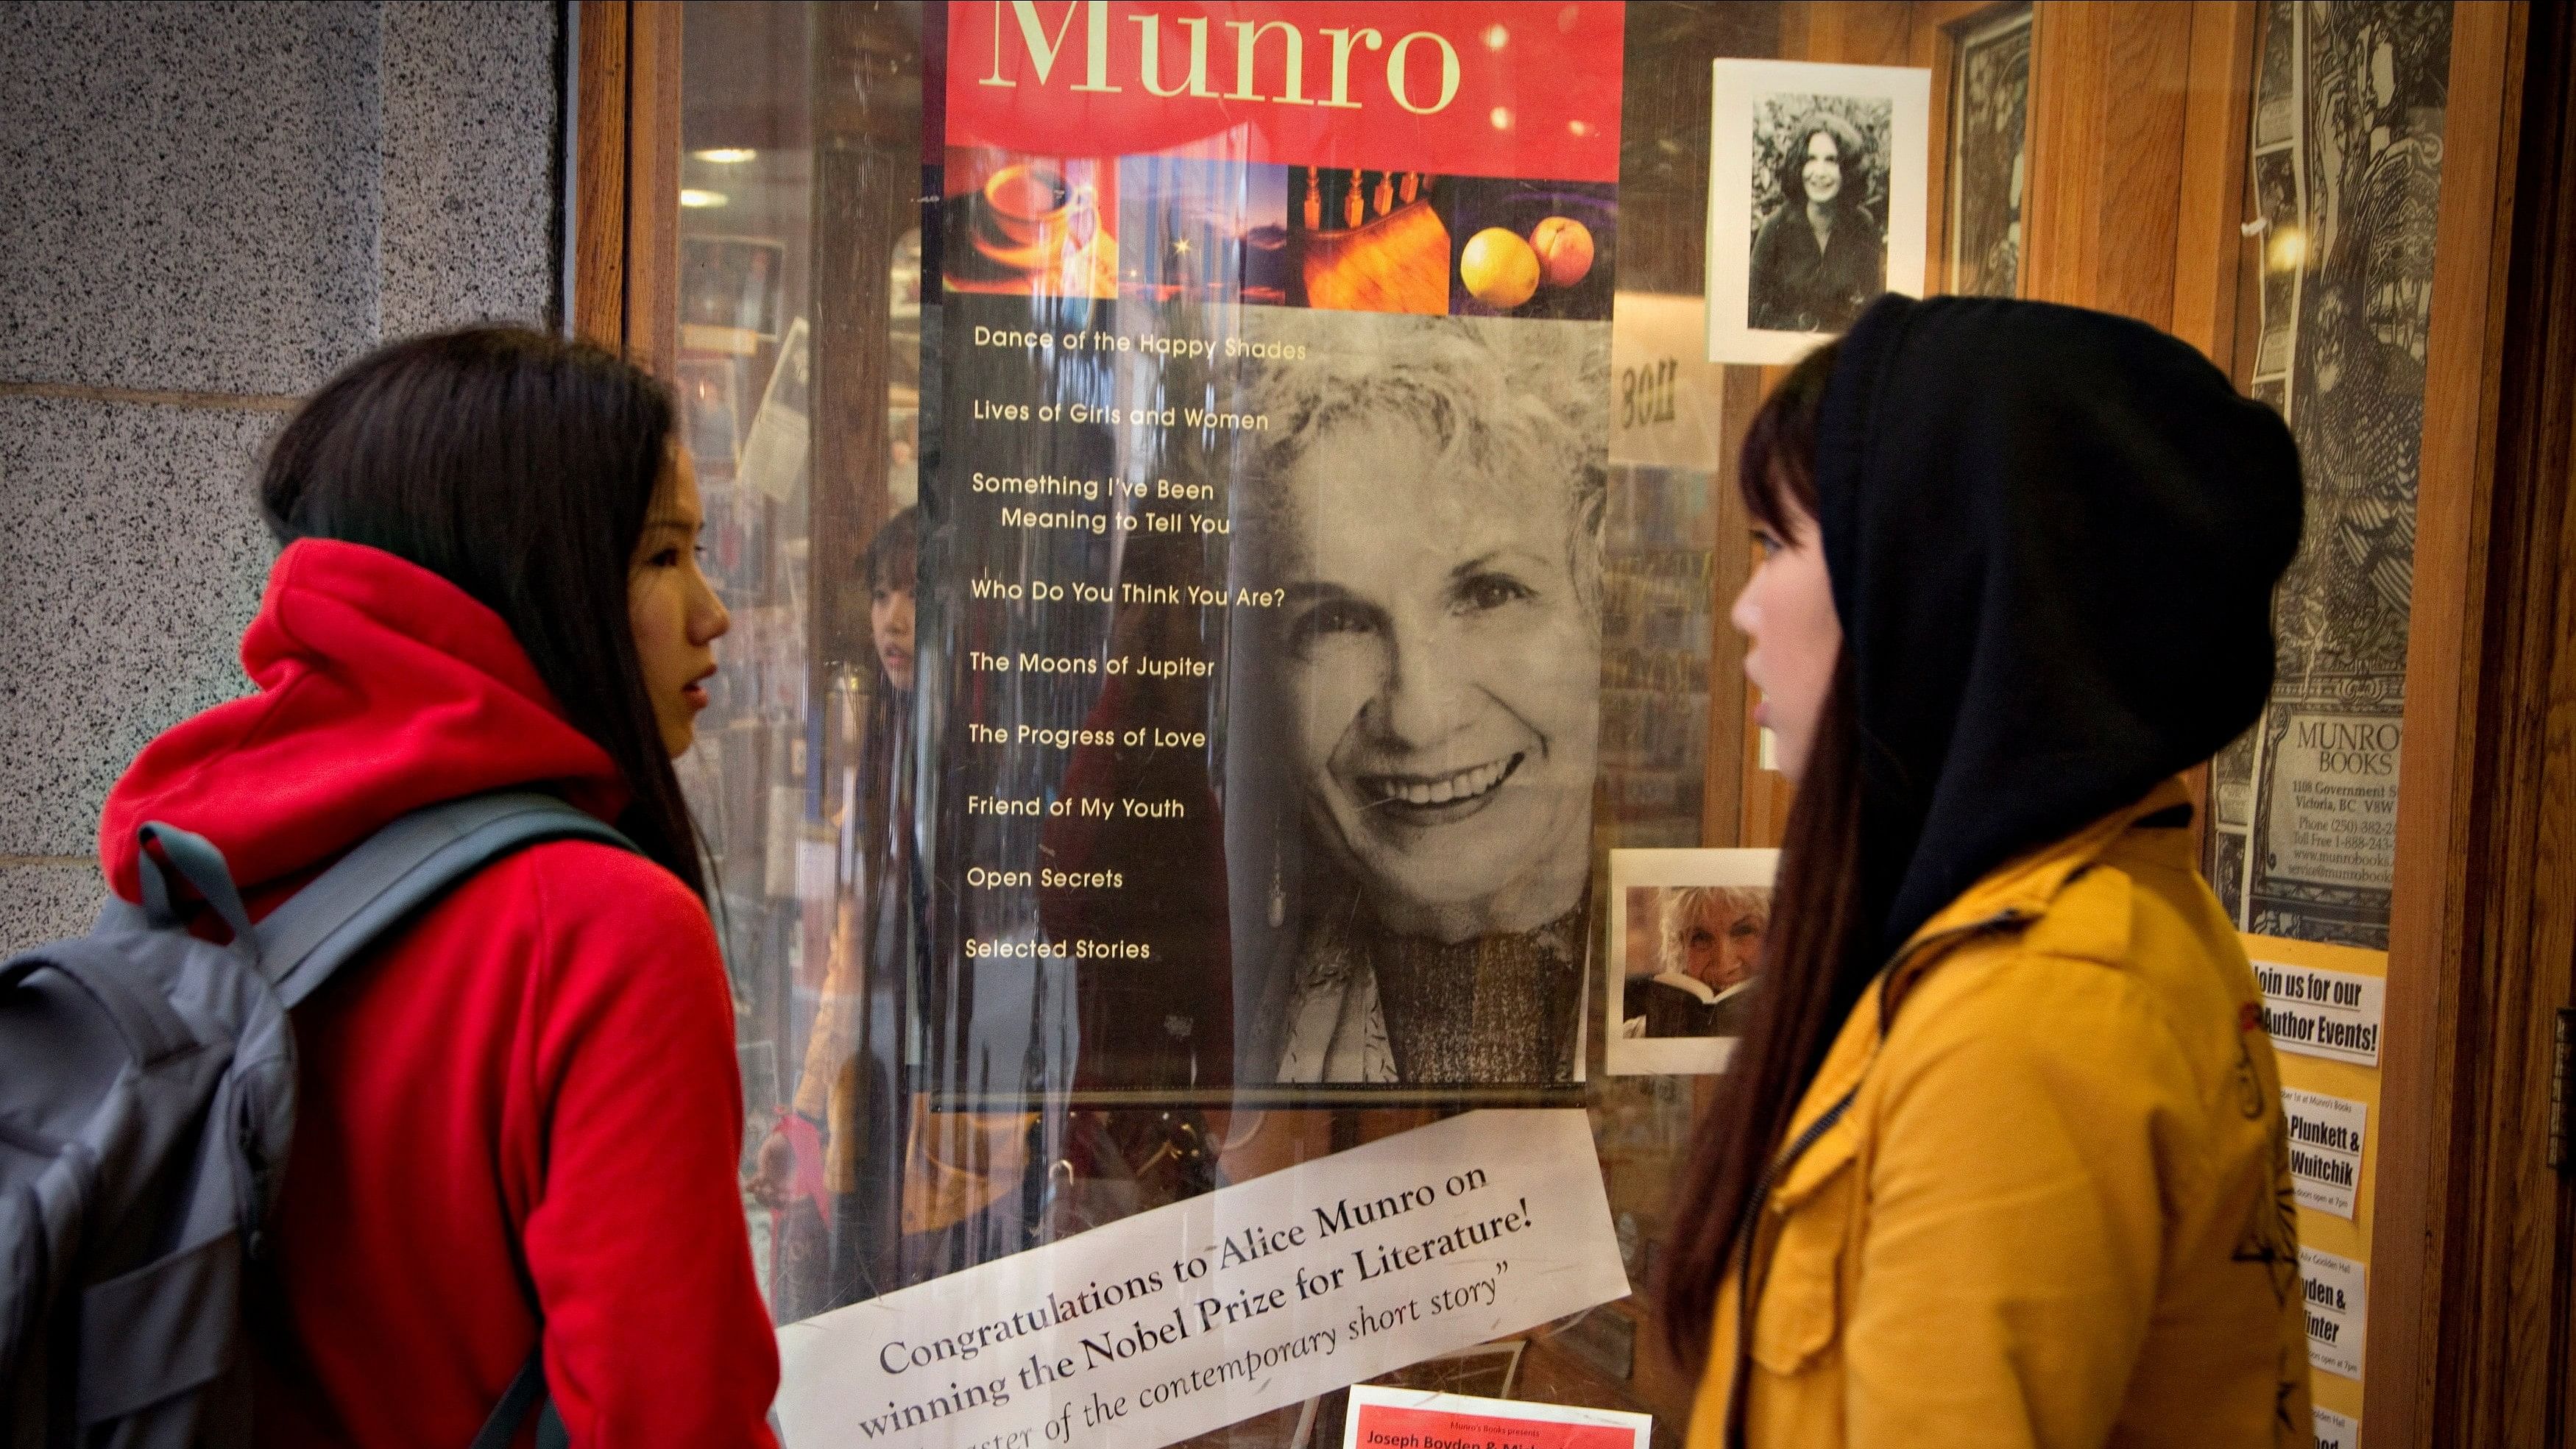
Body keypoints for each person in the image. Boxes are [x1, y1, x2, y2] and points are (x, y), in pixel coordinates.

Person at [97, 327, 778, 1445]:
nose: (712, 613)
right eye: (664, 556)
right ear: (528, 571)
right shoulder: (601, 928)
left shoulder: (194, 871)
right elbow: (672, 1415)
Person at [1666, 294, 2310, 1447]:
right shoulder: (2084, 923)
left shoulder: (2033, 1013)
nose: (1744, 607)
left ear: (1941, 571)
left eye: (1776, 545)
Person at [1248, 322, 1607, 1085]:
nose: (1419, 716)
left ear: (1602, 612)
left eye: (1488, 594)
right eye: (1333, 621)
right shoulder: (1223, 1021)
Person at [1746, 111, 1886, 334]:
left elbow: (1876, 307)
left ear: (1848, 170)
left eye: (1831, 161)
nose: (1819, 173)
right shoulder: (1775, 228)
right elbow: (1750, 306)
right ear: (1799, 166)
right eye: (1811, 159)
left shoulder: (1862, 226)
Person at [1625, 886, 1766, 1038]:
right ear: (1680, 949)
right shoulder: (1634, 1036)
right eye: (1701, 938)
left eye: (1743, 931)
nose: (1723, 966)